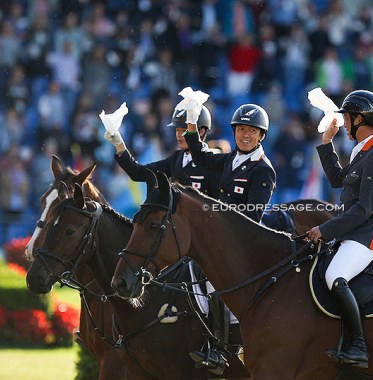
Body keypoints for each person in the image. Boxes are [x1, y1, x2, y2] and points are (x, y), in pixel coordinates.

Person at [182, 99, 276, 374]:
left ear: (261, 136)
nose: (245, 135)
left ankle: (221, 349)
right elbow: (199, 155)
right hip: (220, 242)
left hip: (242, 246)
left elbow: (252, 218)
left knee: (213, 284)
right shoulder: (229, 160)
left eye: (251, 131)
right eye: (241, 129)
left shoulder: (262, 169)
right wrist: (190, 121)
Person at [307, 90, 373, 368]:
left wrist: (325, 229)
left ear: (359, 118)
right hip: (354, 231)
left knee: (335, 275)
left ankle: (358, 344)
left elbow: (364, 210)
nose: (344, 123)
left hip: (368, 233)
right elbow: (337, 180)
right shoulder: (364, 152)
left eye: (346, 118)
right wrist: (326, 143)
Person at [104, 105, 220, 198]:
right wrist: (119, 143)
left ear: (201, 132)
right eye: (177, 130)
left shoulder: (214, 160)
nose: (179, 135)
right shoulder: (175, 160)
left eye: (184, 130)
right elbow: (138, 173)